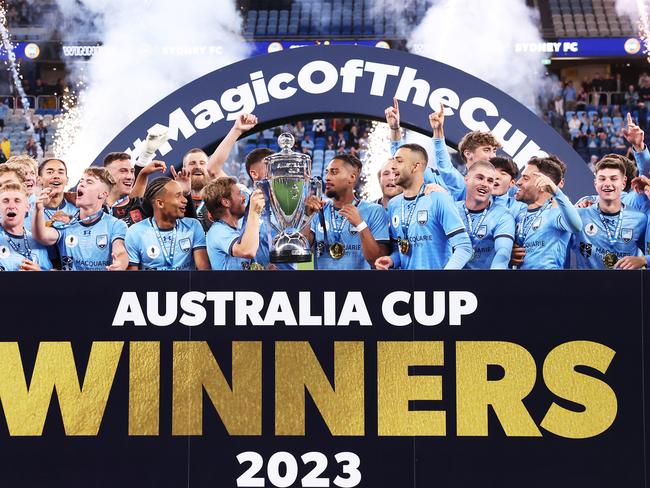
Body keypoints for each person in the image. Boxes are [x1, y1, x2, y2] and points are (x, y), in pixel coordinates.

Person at [374, 143, 473, 270]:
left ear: (415, 166)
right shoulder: (394, 204)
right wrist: (391, 260)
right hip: (409, 287)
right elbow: (400, 250)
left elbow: (464, 247)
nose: (393, 166)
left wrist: (445, 278)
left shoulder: (438, 198)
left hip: (436, 287)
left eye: (398, 161)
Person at [32, 167, 129, 271]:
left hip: (102, 286)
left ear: (103, 194)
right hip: (70, 286)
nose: (81, 184)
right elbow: (41, 236)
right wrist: (39, 209)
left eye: (89, 182)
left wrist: (120, 263)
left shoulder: (116, 225)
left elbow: (120, 251)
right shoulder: (65, 222)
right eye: (81, 180)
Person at [305, 154, 389, 269]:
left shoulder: (374, 211)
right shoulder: (318, 210)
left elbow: (378, 262)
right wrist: (306, 217)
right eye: (327, 172)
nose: (327, 177)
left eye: (334, 172)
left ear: (352, 177)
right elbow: (302, 251)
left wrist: (360, 225)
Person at [572, 158, 647, 269]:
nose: (607, 184)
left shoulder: (640, 219)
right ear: (595, 183)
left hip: (627, 285)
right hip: (587, 285)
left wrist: (643, 259)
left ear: (623, 182)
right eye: (602, 179)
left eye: (613, 179)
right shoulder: (579, 215)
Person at [511, 157, 582, 269]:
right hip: (518, 284)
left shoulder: (555, 212)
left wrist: (557, 193)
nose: (518, 182)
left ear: (542, 183)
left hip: (547, 284)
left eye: (525, 178)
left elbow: (576, 226)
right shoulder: (518, 214)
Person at [125, 177, 209, 271]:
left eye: (183, 195)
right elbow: (132, 279)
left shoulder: (193, 226)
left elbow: (204, 271)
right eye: (178, 196)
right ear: (160, 203)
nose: (185, 200)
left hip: (185, 285)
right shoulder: (135, 232)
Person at [457, 161, 515, 269]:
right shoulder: (452, 210)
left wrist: (493, 283)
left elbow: (503, 253)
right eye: (480, 178)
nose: (484, 184)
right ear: (466, 179)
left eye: (490, 181)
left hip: (484, 282)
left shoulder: (503, 216)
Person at [203, 177, 266, 270]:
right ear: (226, 202)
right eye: (239, 194)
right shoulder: (217, 231)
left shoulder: (235, 229)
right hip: (229, 284)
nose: (244, 197)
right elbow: (247, 251)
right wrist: (254, 212)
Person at [0, 182, 51, 271]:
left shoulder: (37, 242)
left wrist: (39, 273)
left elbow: (51, 280)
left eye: (17, 201)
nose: (11, 206)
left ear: (27, 207)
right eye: (6, 201)